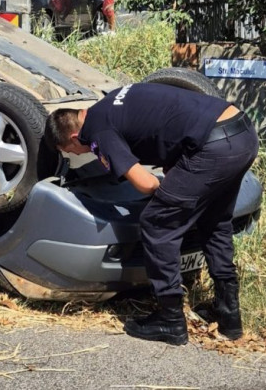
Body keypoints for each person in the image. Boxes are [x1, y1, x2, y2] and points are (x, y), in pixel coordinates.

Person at [44, 82, 259, 346]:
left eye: (70, 151)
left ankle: (170, 321)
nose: (76, 154)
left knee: (157, 223)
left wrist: (170, 195)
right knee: (213, 222)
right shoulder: (111, 100)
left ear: (74, 138)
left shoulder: (96, 131)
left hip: (213, 147)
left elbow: (147, 183)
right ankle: (229, 317)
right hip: (242, 134)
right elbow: (163, 123)